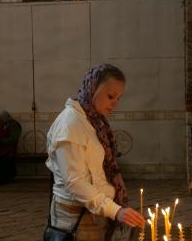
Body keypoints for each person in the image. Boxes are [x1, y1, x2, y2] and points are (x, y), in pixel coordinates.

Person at [45, 63, 145, 240]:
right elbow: (75, 183)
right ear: (92, 87)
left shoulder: (94, 121)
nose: (114, 104)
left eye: (118, 98)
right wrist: (116, 211)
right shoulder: (70, 123)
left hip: (94, 211)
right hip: (76, 216)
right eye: (110, 96)